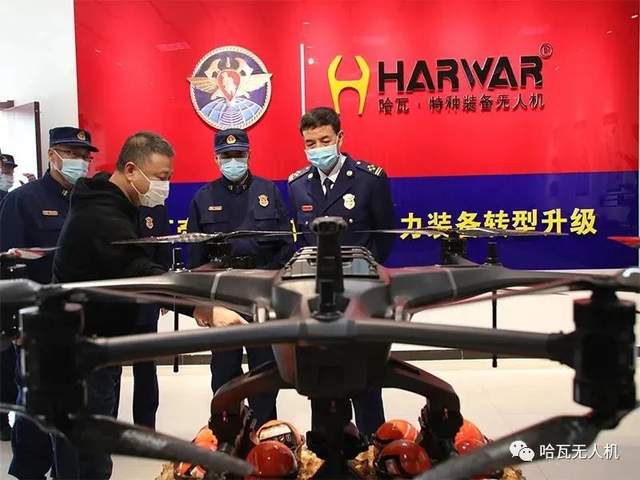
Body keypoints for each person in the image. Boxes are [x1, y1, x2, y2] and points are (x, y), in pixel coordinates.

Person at [50, 131, 235, 479]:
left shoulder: (113, 202)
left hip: (96, 345)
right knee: (87, 458)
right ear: (132, 170)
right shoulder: (101, 216)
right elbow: (139, 270)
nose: (165, 186)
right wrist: (201, 308)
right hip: (78, 352)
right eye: (161, 177)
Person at [287, 107, 395, 438]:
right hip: (317, 299)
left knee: (366, 382)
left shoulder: (369, 179)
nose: (318, 148)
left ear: (340, 138)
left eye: (325, 140)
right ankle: (325, 451)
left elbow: (384, 236)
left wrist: (366, 278)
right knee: (320, 380)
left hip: (361, 298)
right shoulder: (297, 185)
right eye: (310, 143)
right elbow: (303, 242)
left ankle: (373, 448)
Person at [0, 127, 97, 480]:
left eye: (85, 156)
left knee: (77, 405)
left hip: (83, 320)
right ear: (52, 155)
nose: (80, 161)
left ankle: (68, 472)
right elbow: (9, 268)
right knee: (35, 403)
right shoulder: (22, 200)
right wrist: (14, 325)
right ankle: (28, 471)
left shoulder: (90, 200)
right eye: (72, 153)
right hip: (38, 324)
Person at [187, 128, 293, 426]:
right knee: (224, 375)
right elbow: (196, 257)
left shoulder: (268, 191)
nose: (233, 160)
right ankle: (227, 435)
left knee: (265, 373)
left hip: (261, 296)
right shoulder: (203, 197)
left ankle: (266, 435)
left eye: (239, 154)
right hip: (223, 297)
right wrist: (203, 303)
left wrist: (271, 287)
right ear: (216, 158)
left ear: (249, 154)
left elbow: (286, 246)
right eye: (227, 155)